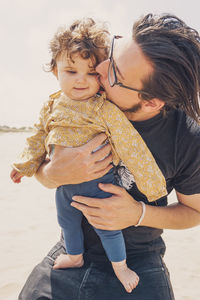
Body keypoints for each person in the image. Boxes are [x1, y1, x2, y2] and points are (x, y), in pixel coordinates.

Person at [18, 13, 200, 300]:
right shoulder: (80, 95)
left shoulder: (187, 138)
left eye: (114, 70)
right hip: (70, 249)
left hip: (139, 260)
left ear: (151, 101)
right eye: (114, 52)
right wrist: (49, 174)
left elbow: (195, 212)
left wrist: (138, 214)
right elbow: (41, 151)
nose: (98, 68)